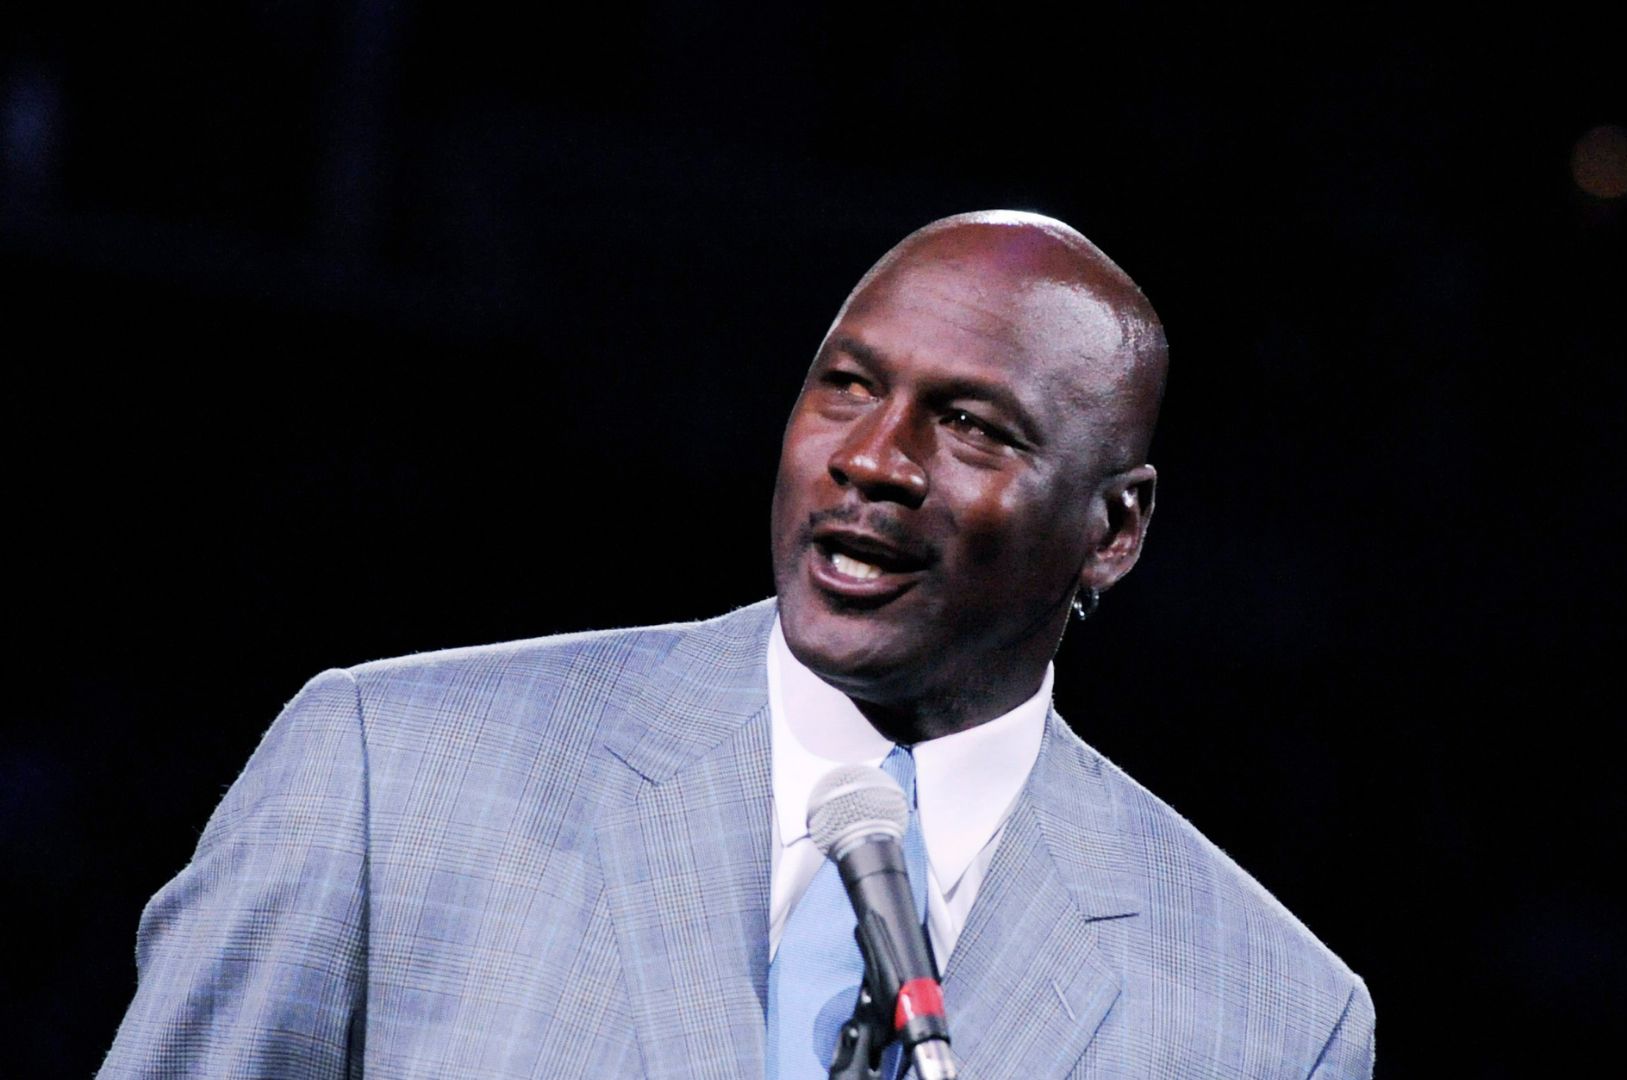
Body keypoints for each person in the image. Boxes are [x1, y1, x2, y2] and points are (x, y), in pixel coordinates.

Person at [100, 211, 1374, 1078]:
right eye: (848, 384)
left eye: (973, 425)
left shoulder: (1269, 1013)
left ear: (1114, 530)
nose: (873, 459)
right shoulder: (392, 775)